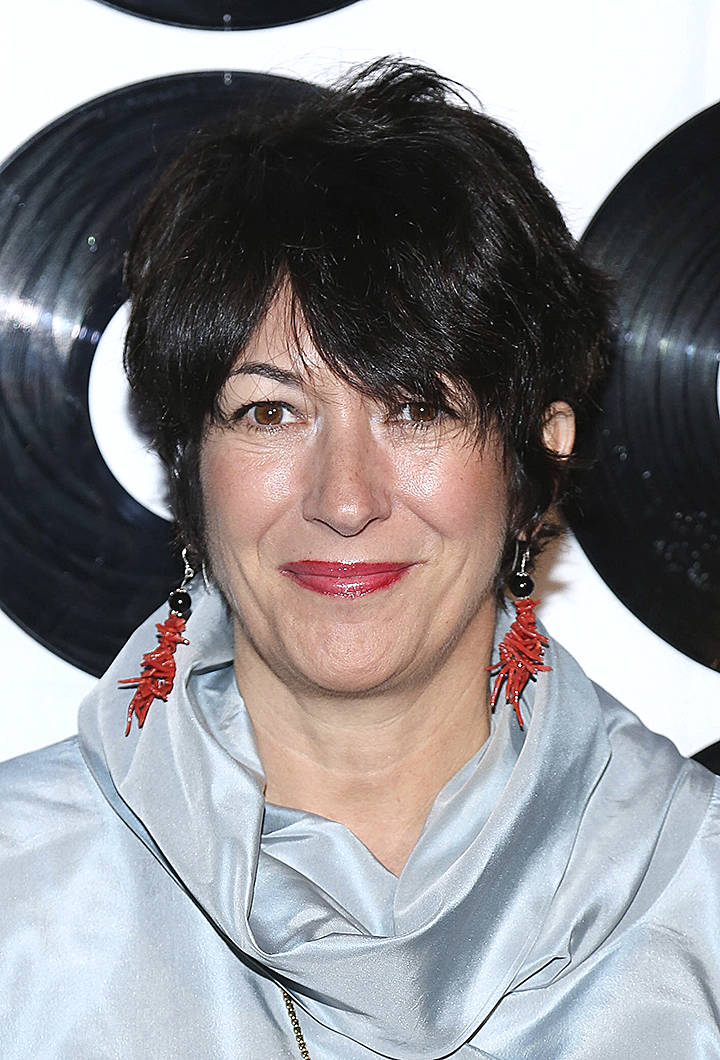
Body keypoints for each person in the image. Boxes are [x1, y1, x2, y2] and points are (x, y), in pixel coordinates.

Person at [2, 58, 719, 1059]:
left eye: (416, 408)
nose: (344, 499)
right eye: (270, 412)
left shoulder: (694, 885)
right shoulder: (23, 893)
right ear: (189, 466)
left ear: (538, 459)